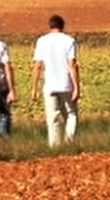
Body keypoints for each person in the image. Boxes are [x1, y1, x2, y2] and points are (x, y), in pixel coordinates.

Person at [29, 14, 80, 147]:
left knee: (52, 119)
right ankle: (69, 143)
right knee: (71, 115)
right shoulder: (69, 41)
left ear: (50, 26)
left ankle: (54, 148)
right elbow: (72, 65)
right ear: (62, 26)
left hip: (49, 85)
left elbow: (38, 66)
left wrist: (34, 88)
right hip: (66, 84)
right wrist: (76, 87)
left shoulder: (42, 41)